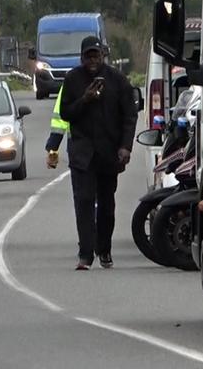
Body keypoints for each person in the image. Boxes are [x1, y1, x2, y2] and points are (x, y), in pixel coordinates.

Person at [58, 36, 137, 271]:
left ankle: (104, 250)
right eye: (88, 56)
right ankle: (85, 254)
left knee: (106, 206)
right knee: (83, 202)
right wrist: (85, 99)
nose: (92, 60)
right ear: (82, 57)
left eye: (96, 56)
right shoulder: (72, 79)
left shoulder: (118, 80)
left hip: (109, 153)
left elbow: (129, 117)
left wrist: (125, 147)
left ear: (103, 55)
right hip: (82, 155)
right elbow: (65, 114)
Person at [45, 88, 68, 169]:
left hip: (80, 145)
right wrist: (53, 147)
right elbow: (60, 116)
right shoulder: (72, 81)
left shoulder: (72, 80)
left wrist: (53, 146)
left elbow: (60, 119)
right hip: (80, 146)